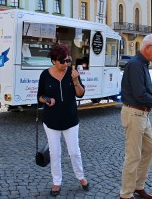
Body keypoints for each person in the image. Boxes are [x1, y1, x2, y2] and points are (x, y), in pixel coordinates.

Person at [120, 34, 152, 199]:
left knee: (149, 149)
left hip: (143, 114)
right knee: (133, 155)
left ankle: (138, 185)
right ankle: (126, 194)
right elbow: (140, 94)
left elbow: (145, 93)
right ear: (148, 47)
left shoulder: (142, 63)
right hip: (135, 113)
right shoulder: (135, 64)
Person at [37, 44, 89, 197]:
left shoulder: (72, 73)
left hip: (70, 120)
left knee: (74, 152)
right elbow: (39, 96)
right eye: (62, 61)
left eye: (67, 60)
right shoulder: (45, 75)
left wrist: (75, 80)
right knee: (55, 153)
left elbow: (80, 94)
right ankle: (56, 182)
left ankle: (81, 177)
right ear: (53, 61)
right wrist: (47, 99)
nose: (65, 64)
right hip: (51, 121)